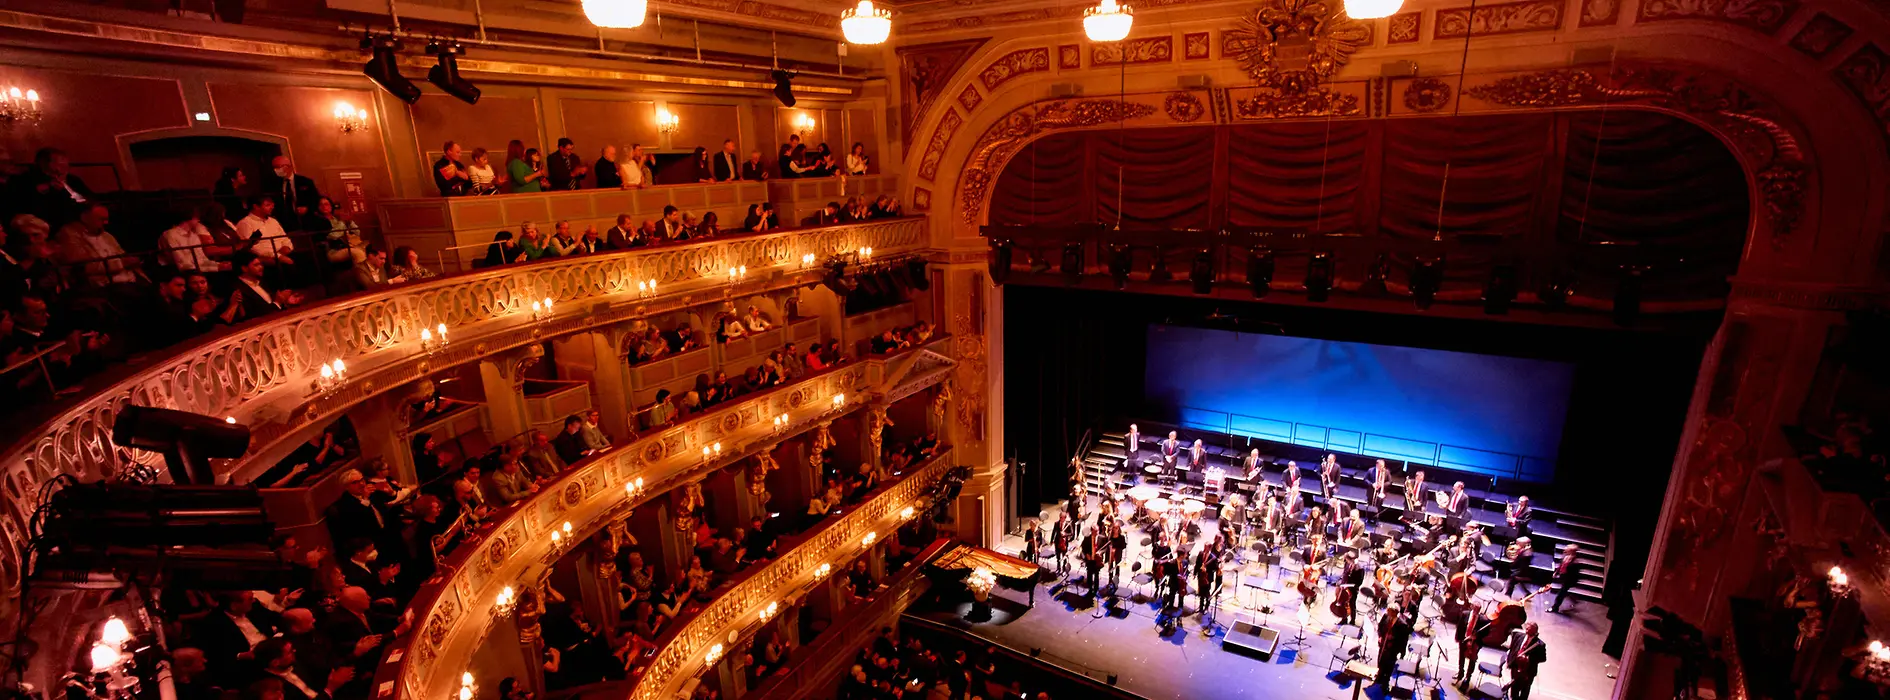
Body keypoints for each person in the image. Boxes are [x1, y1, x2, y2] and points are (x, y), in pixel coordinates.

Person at [56, 202, 144, 287]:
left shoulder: (106, 235)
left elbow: (122, 254)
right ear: (85, 218)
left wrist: (130, 260)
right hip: (106, 286)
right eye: (101, 219)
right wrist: (120, 263)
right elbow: (82, 266)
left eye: (107, 219)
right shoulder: (69, 235)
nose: (106, 222)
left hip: (130, 280)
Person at [6, 147, 93, 229]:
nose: (64, 168)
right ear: (43, 164)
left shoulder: (73, 180)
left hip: (76, 224)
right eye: (59, 164)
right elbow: (26, 205)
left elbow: (87, 199)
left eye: (66, 165)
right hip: (43, 225)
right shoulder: (25, 180)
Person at [232, 251, 303, 318]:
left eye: (261, 264)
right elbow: (254, 316)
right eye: (256, 265)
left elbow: (271, 303)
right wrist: (277, 302)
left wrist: (286, 300)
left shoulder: (262, 281)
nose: (261, 267)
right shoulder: (237, 289)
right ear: (244, 268)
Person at [234, 195, 298, 267]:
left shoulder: (273, 221)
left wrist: (286, 248)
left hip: (283, 254)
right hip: (266, 260)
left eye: (272, 205)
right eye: (268, 205)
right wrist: (277, 256)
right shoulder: (245, 223)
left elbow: (285, 238)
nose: (272, 207)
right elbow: (252, 248)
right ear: (256, 207)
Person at [262, 155, 322, 229]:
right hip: (284, 223)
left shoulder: (305, 182)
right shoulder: (274, 184)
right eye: (274, 167)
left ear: (287, 166)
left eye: (278, 167)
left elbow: (315, 199)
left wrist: (307, 208)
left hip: (305, 220)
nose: (276, 170)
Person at [1506, 623, 1547, 700]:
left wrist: (1529, 658)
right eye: (1526, 628)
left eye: (1529, 629)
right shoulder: (1518, 635)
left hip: (1527, 672)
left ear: (1535, 631)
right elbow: (1513, 649)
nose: (1526, 630)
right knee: (1514, 689)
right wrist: (1509, 661)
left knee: (1525, 691)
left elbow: (1543, 658)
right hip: (1515, 667)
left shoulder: (1540, 644)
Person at [1376, 604, 1412, 688]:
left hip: (1392, 649)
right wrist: (1380, 636)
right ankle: (1379, 678)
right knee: (1380, 663)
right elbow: (1380, 627)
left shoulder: (1402, 624)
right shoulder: (1386, 617)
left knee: (1388, 667)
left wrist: (1402, 653)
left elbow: (1404, 640)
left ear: (1395, 612)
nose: (1388, 613)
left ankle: (1385, 684)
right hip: (1383, 646)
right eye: (1388, 610)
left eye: (1390, 611)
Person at [1549, 544, 1581, 613]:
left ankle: (1555, 607)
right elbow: (1561, 565)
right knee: (1563, 592)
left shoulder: (1575, 563)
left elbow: (1574, 574)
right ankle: (1572, 598)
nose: (1565, 549)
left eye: (1567, 549)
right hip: (1563, 577)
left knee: (1561, 594)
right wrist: (1556, 572)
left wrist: (1570, 582)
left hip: (1568, 580)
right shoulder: (1565, 557)